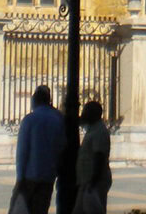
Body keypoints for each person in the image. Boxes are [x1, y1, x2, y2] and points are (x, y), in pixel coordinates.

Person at [14, 84, 66, 214]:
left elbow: (22, 151)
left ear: (35, 100)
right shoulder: (58, 119)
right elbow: (61, 146)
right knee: (41, 209)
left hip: (29, 176)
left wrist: (20, 178)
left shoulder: (30, 120)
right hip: (48, 175)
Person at [71, 99, 112, 214]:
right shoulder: (93, 129)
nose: (83, 114)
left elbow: (99, 156)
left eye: (85, 112)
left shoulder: (99, 132)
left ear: (93, 114)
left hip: (93, 181)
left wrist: (93, 181)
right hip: (87, 180)